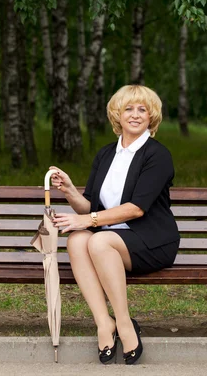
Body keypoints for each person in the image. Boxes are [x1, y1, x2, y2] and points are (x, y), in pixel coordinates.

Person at [50, 85, 180, 365]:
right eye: (128, 109)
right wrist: (71, 191)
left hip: (152, 240)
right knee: (76, 240)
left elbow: (135, 209)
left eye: (142, 109)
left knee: (97, 239)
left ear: (151, 117)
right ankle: (103, 323)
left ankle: (124, 322)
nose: (135, 115)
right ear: (117, 115)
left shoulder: (157, 155)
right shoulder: (106, 154)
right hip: (111, 239)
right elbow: (91, 206)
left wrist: (87, 221)